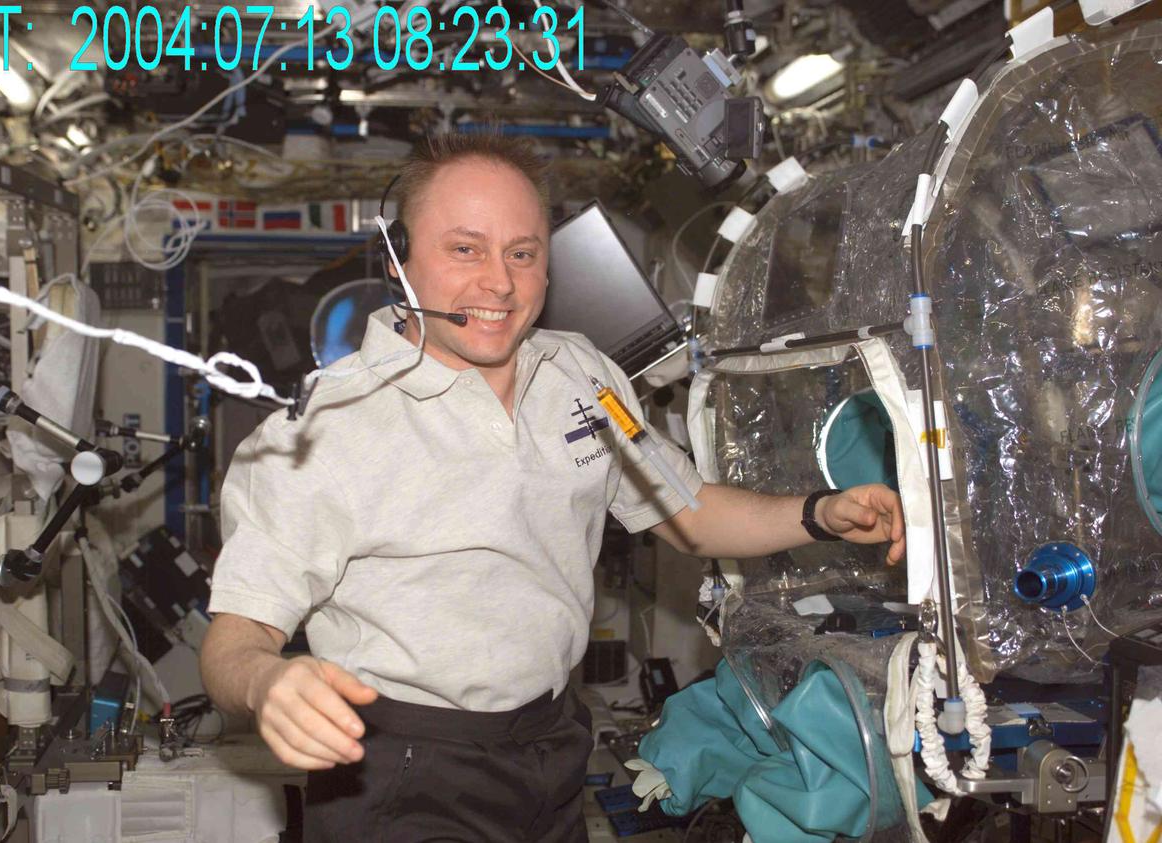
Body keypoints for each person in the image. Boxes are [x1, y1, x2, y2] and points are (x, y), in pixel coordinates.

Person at [199, 131, 905, 843]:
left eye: (523, 253)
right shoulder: (318, 429)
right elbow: (233, 638)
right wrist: (265, 682)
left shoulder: (581, 373)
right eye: (465, 249)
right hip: (407, 766)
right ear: (398, 259)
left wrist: (819, 513)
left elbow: (687, 510)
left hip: (552, 744)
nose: (499, 284)